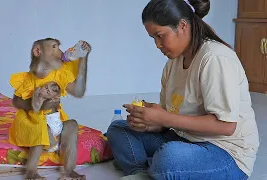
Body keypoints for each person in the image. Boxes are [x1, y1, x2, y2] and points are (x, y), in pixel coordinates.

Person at [106, 0, 260, 179]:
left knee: (169, 158)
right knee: (118, 129)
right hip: (185, 139)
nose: (157, 45)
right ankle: (140, 173)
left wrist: (163, 117)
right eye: (153, 38)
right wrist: (150, 121)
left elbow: (226, 126)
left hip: (225, 152)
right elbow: (170, 119)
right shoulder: (173, 63)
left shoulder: (215, 58)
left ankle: (155, 168)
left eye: (160, 36)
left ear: (182, 26)